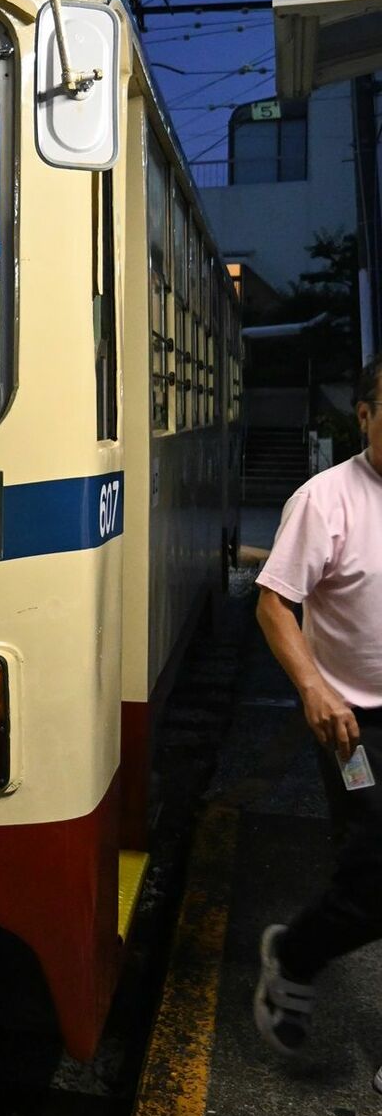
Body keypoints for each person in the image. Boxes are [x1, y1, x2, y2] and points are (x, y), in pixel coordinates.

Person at [252, 353, 382, 1065]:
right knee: (372, 875)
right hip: (354, 729)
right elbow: (275, 603)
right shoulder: (326, 499)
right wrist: (313, 687)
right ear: (365, 414)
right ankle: (295, 959)